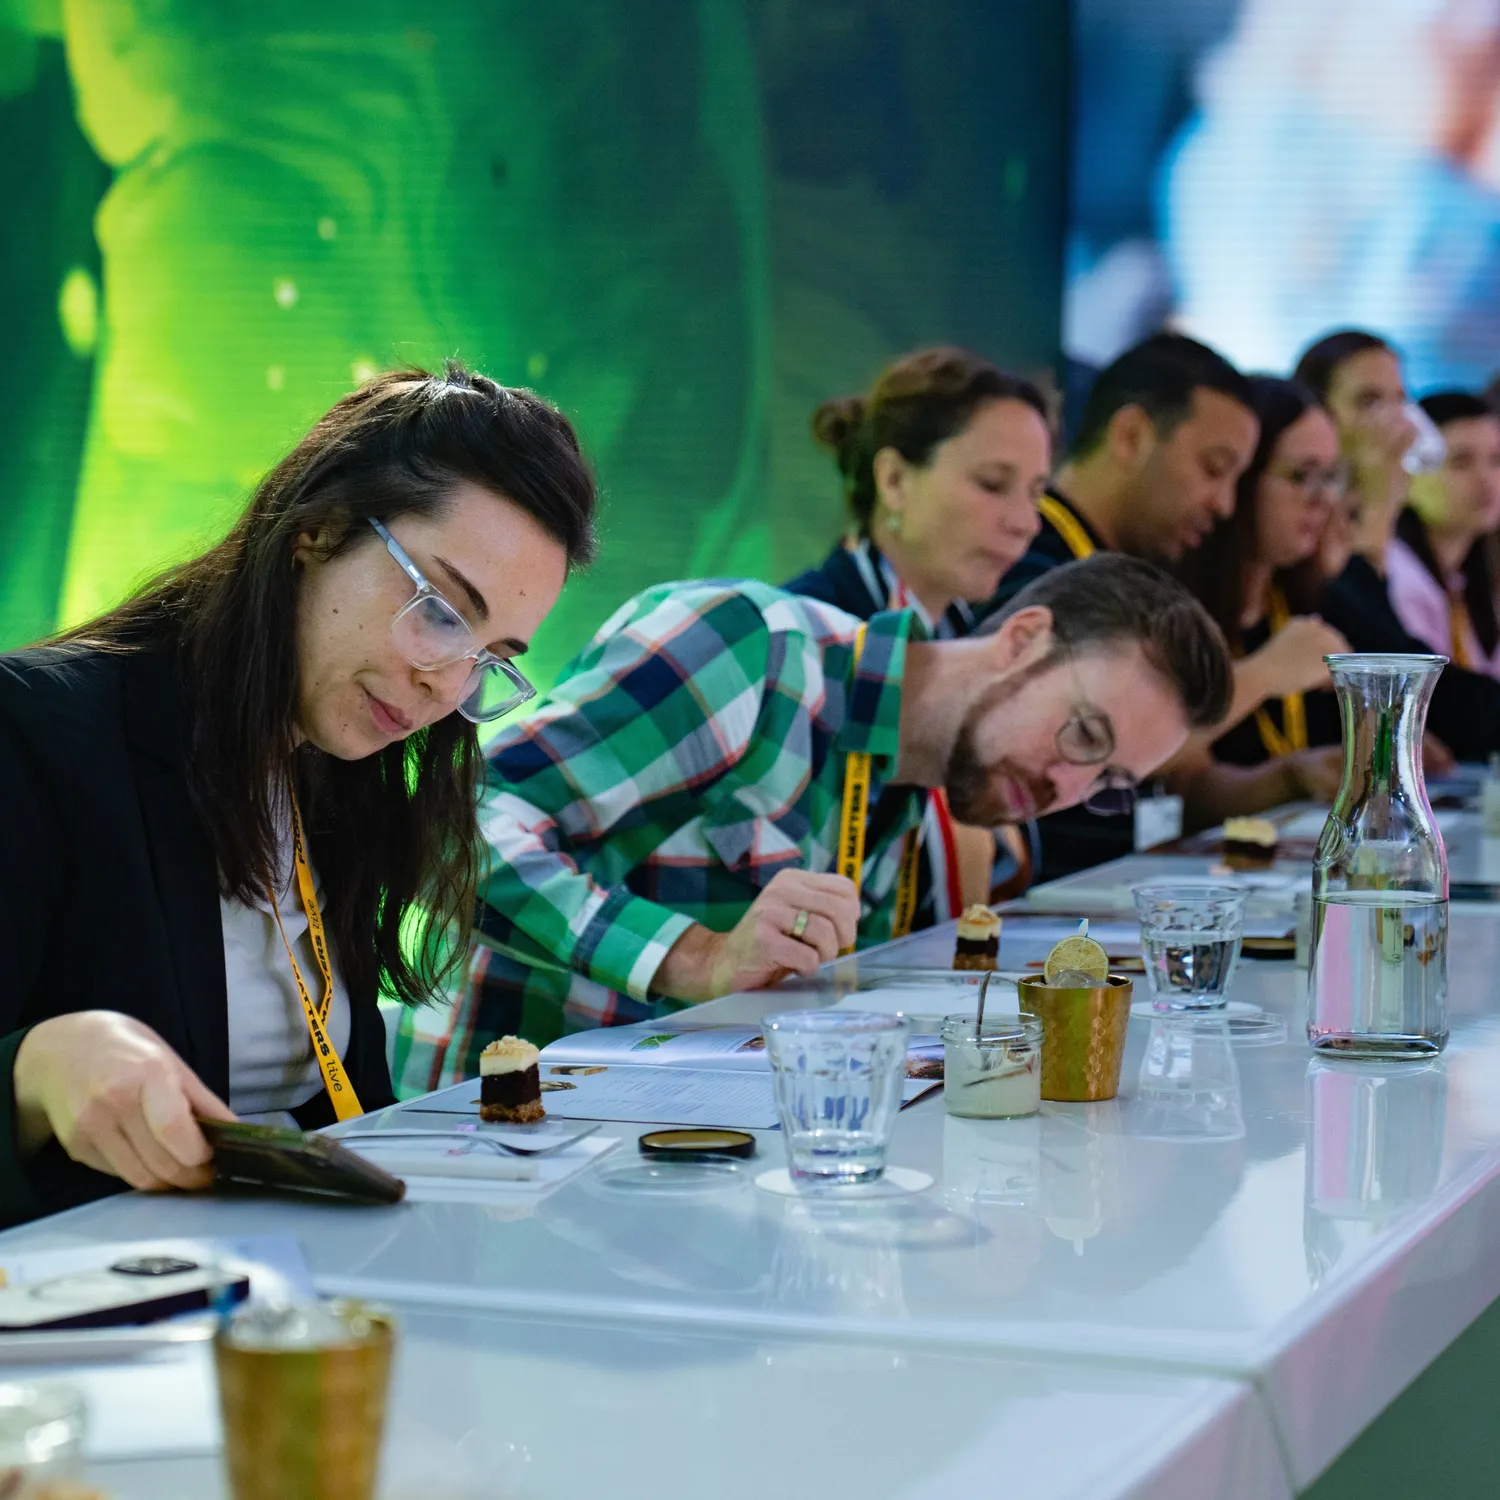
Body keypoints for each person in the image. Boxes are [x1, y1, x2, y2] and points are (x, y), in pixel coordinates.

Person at [0, 364, 597, 1228]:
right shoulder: (37, 731)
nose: (444, 683)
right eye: (440, 611)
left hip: (303, 1270)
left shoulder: (339, 780)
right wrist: (35, 1071)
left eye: (489, 659)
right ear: (317, 530)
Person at [397, 555, 1232, 1088]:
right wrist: (698, 957)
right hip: (497, 1142)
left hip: (668, 1141)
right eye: (1084, 736)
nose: (1067, 787)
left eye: (1108, 782)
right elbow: (449, 828)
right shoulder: (754, 650)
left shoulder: (911, 791)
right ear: (1023, 638)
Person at [983, 332, 1290, 880]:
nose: (1224, 505)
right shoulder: (1027, 562)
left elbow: (1182, 774)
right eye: (1213, 468)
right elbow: (1094, 737)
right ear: (1131, 436)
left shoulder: (1131, 577)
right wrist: (1268, 673)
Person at [783, 347, 1053, 914]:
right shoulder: (804, 640)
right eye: (993, 484)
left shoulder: (963, 634)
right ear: (895, 480)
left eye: (1035, 494)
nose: (1026, 522)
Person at [1171, 377, 1350, 823]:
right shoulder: (1176, 603)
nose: (1322, 500)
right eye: (1301, 476)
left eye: (1330, 477)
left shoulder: (1299, 598)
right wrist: (1267, 672)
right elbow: (1176, 778)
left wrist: (1295, 776)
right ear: (1243, 478)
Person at [1387, 392, 1500, 676]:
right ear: (1409, 471)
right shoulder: (1396, 577)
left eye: (1496, 460)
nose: (1485, 478)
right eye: (1461, 461)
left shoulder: (1466, 578)